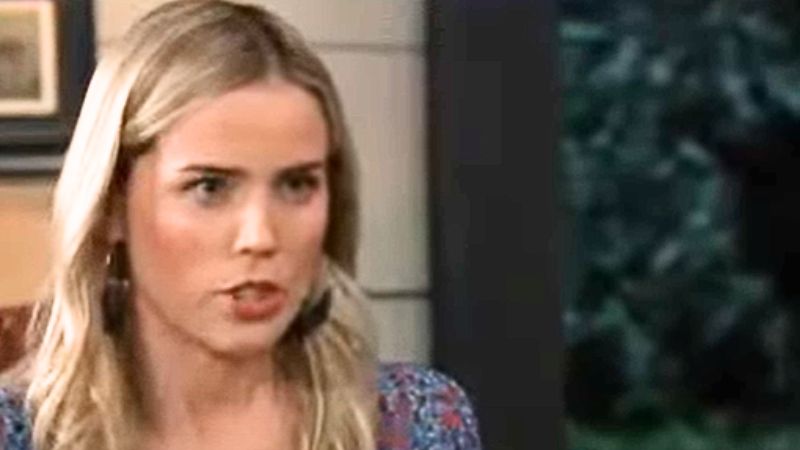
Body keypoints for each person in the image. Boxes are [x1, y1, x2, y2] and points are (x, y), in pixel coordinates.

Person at [0, 1, 481, 449]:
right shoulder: (22, 432)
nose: (260, 237)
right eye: (209, 187)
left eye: (296, 185)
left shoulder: (412, 422)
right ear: (112, 206)